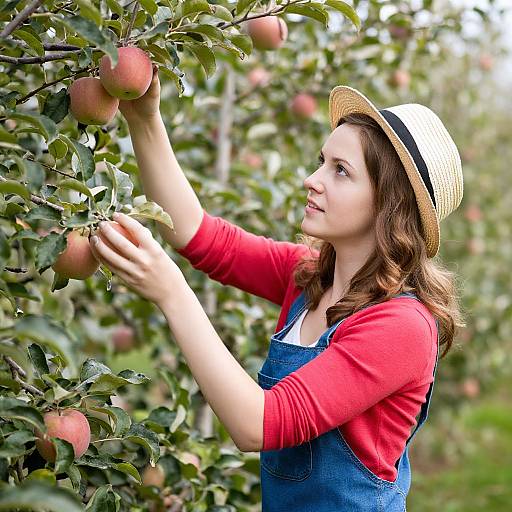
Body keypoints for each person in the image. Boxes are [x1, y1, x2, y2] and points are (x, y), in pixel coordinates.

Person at [90, 65, 464, 511]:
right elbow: (198, 236)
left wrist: (172, 292)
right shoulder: (309, 276)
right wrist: (144, 119)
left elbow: (259, 425)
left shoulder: (401, 327)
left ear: (388, 203)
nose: (313, 179)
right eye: (321, 161)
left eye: (340, 170)